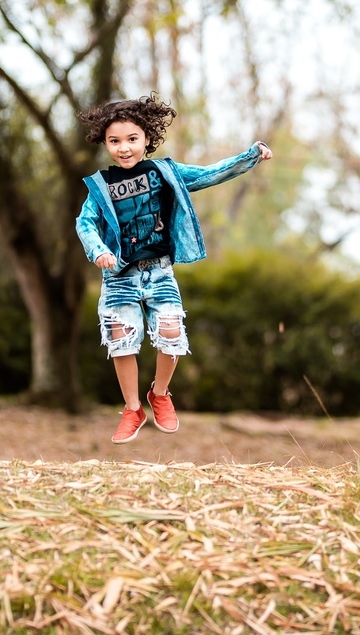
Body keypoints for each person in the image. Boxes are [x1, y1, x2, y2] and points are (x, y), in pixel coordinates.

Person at [75, 93, 273, 444]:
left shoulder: (164, 172)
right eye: (115, 141)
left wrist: (251, 156)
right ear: (105, 143)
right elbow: (85, 223)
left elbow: (211, 173)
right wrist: (98, 250)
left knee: (170, 333)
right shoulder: (99, 185)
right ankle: (132, 408)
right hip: (119, 275)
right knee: (121, 339)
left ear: (147, 138)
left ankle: (160, 393)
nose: (124, 148)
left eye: (132, 139)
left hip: (160, 271)